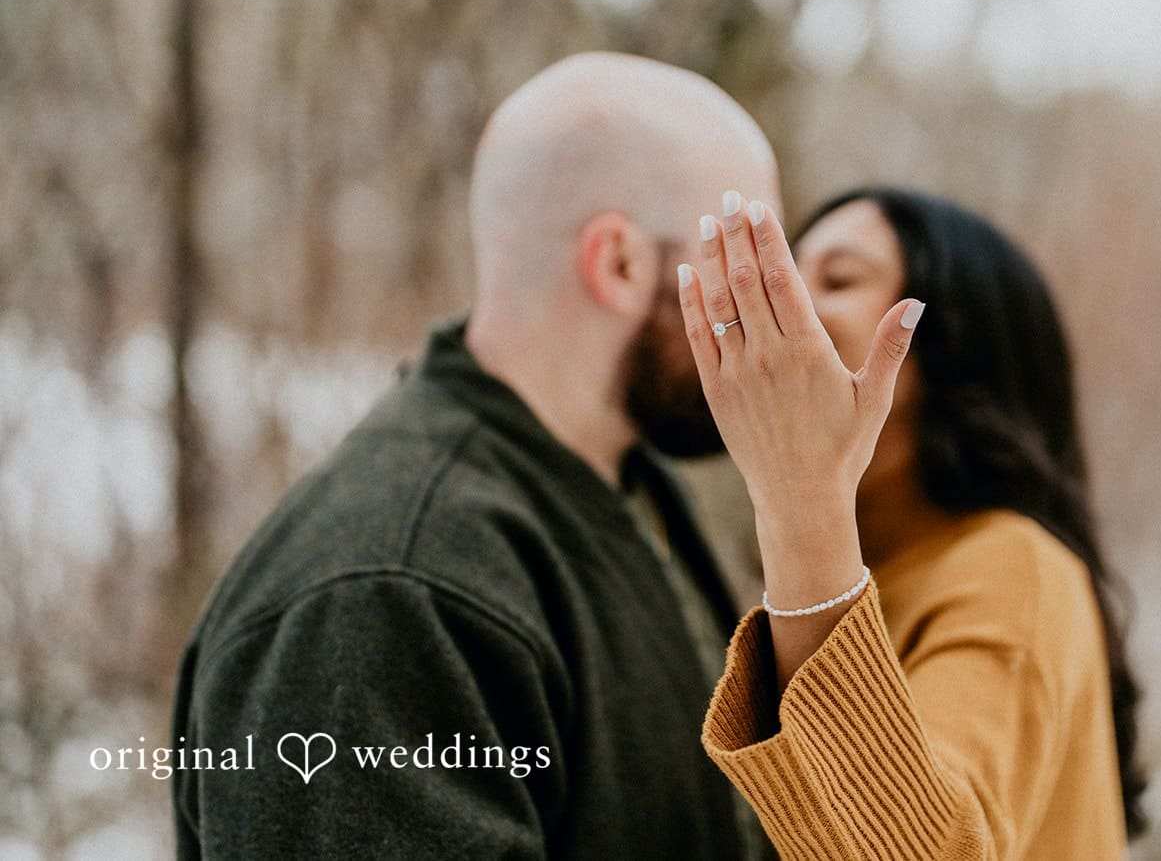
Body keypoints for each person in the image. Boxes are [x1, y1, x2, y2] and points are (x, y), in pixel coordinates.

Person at [171, 53, 779, 858]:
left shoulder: (633, 482)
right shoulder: (388, 591)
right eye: (751, 264)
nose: (780, 308)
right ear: (620, 263)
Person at [679, 186, 1147, 859]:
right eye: (786, 266)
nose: (782, 304)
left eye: (837, 278)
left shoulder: (1015, 569)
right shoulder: (881, 571)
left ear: (953, 351)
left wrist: (801, 494)